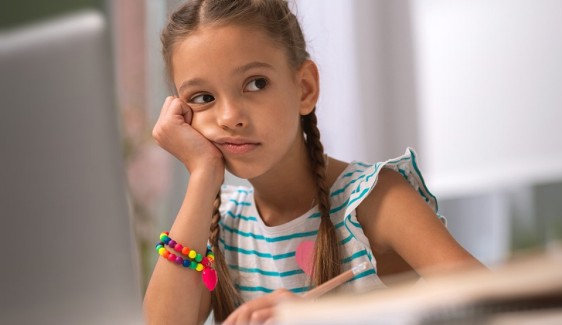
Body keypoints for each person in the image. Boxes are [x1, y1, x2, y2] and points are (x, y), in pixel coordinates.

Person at [143, 0, 481, 324]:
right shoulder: (222, 223)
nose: (230, 117)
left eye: (256, 83)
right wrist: (203, 175)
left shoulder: (372, 201)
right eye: (204, 98)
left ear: (304, 88)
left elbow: (504, 307)